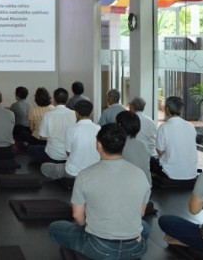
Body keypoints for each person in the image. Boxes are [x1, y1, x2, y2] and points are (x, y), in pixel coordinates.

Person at [49, 123, 151, 259]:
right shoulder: (140, 174)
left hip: (100, 248)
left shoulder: (85, 175)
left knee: (55, 227)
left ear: (98, 145)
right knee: (145, 227)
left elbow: (78, 217)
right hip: (136, 248)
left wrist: (95, 227)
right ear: (124, 146)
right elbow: (141, 213)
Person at [41, 100, 100, 180]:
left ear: (76, 113)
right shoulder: (99, 128)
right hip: (94, 171)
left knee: (44, 167)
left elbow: (68, 153)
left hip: (73, 172)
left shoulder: (71, 129)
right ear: (91, 113)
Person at [150, 96, 198, 180]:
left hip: (170, 173)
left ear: (167, 109)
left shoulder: (164, 127)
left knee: (150, 160)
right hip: (192, 173)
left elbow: (159, 151)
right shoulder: (190, 126)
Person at [27, 88, 76, 165]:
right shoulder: (74, 114)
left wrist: (53, 137)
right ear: (67, 100)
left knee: (30, 149)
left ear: (54, 100)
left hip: (53, 155)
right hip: (70, 154)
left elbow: (42, 136)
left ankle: (50, 164)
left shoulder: (48, 115)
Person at [117, 110, 152, 187]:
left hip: (129, 188)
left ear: (119, 125)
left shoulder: (118, 145)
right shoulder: (143, 144)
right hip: (146, 186)